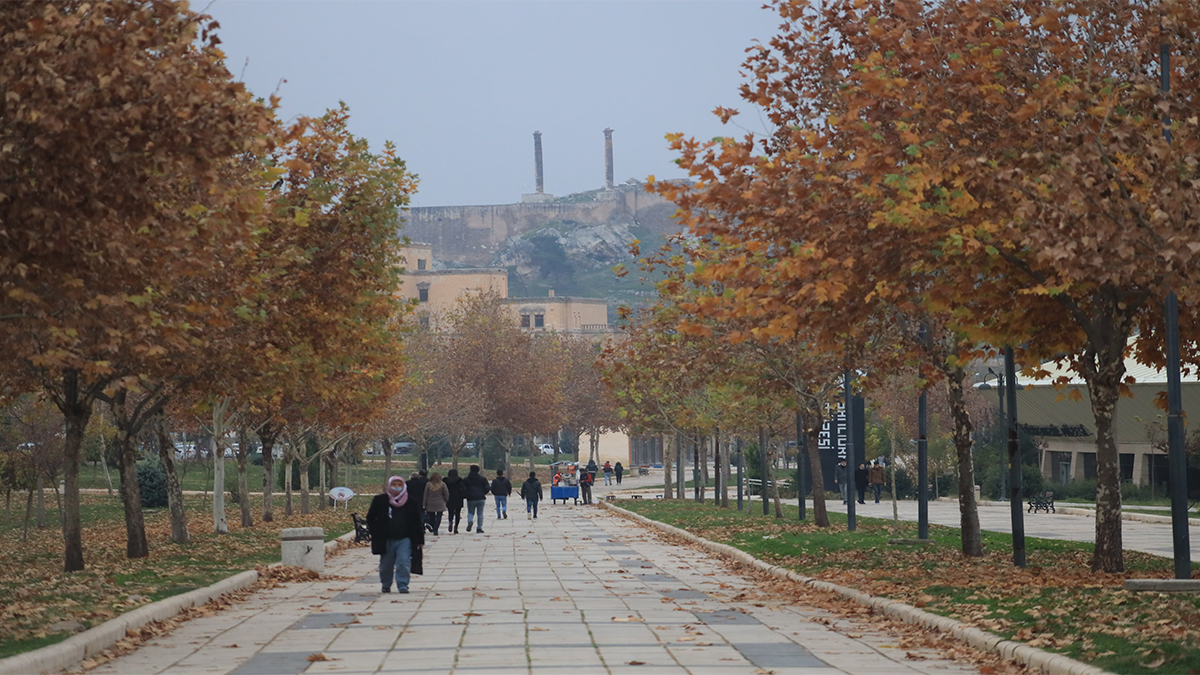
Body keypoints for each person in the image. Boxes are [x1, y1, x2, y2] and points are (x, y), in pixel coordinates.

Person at [366, 475, 425, 594]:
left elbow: (417, 520)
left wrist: (419, 539)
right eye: (394, 485)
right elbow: (371, 517)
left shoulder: (411, 501)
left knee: (404, 561)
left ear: (404, 486)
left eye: (399, 485)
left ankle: (403, 584)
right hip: (386, 538)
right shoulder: (380, 500)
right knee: (386, 564)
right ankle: (386, 584)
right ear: (389, 485)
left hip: (405, 538)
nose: (397, 487)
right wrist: (375, 532)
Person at [463, 465, 490, 533]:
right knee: (480, 513)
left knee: (470, 512)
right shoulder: (483, 479)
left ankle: (470, 521)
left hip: (471, 498)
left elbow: (463, 488)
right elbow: (487, 487)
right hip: (481, 497)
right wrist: (483, 493)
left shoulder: (466, 480)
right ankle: (479, 528)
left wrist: (466, 495)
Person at [444, 469, 465, 534]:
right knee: (458, 513)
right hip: (458, 498)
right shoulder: (460, 481)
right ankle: (456, 527)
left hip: (449, 498)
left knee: (450, 512)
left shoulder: (446, 481)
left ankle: (450, 522)